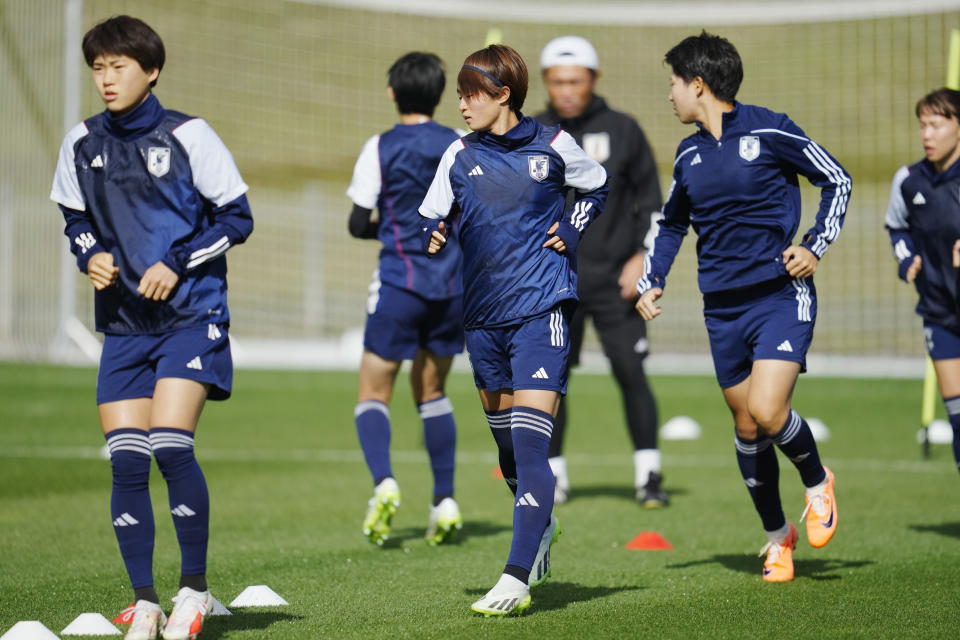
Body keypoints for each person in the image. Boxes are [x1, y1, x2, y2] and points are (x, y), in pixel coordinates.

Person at [50, 16, 253, 640]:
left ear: (151, 70)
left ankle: (194, 590)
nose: (106, 79)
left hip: (192, 315)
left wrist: (176, 261)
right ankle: (145, 601)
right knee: (127, 461)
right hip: (126, 326)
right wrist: (90, 253)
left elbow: (237, 218)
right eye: (98, 68)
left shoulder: (189, 134)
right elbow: (72, 211)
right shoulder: (81, 142)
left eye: (118, 66)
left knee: (170, 443)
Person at [636, 31, 848, 582]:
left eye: (674, 84)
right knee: (747, 425)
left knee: (769, 410)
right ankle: (778, 537)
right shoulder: (687, 153)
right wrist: (652, 278)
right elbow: (674, 222)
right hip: (721, 308)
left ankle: (818, 480)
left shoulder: (770, 128)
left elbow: (838, 180)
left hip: (779, 295)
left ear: (698, 85)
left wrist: (813, 245)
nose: (670, 95)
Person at [420, 44, 608, 615]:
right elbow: (433, 212)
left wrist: (573, 226)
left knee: (531, 446)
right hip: (481, 319)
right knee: (507, 452)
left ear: (503, 94)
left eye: (471, 93)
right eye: (459, 92)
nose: (462, 103)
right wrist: (434, 231)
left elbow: (597, 185)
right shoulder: (456, 152)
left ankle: (516, 576)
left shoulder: (553, 145)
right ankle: (542, 526)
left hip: (543, 308)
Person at [534, 35, 667, 507]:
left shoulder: (624, 130)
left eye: (575, 80)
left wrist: (642, 261)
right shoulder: (529, 131)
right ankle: (553, 478)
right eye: (556, 81)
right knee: (549, 381)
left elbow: (653, 204)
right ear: (546, 82)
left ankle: (649, 476)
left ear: (594, 79)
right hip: (551, 282)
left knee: (631, 371)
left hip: (617, 280)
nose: (566, 89)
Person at [346, 52, 464, 546]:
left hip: (399, 284)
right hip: (452, 288)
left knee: (374, 395)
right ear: (440, 97)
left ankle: (384, 482)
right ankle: (445, 499)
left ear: (393, 93)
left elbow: (357, 224)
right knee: (432, 394)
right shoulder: (462, 144)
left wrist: (393, 227)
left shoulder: (380, 146)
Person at [886, 88, 960, 473]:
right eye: (922, 126)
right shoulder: (909, 180)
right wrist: (906, 259)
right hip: (938, 311)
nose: (927, 135)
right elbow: (897, 227)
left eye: (936, 125)